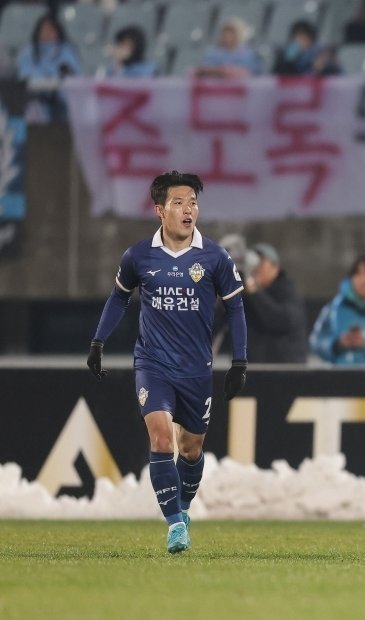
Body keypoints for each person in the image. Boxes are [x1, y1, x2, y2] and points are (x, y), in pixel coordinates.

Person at [86, 171, 248, 553]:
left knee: (190, 448)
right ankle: (175, 524)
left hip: (196, 369)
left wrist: (239, 362)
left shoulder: (215, 257)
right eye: (178, 203)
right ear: (160, 210)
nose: (188, 209)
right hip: (152, 363)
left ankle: (183, 507)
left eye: (192, 202)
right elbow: (118, 299)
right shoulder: (138, 256)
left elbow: (236, 307)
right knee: (161, 437)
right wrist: (98, 341)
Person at [243, 243, 308, 364]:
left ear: (275, 267)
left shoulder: (288, 290)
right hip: (253, 370)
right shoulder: (245, 294)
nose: (256, 268)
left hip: (286, 372)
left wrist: (255, 292)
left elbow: (280, 321)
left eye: (261, 263)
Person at [16, 11, 80, 123]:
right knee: (33, 109)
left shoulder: (66, 51)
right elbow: (24, 76)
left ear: (58, 32)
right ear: (37, 31)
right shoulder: (28, 53)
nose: (47, 33)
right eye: (44, 29)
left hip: (61, 103)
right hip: (35, 100)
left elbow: (74, 75)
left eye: (51, 30)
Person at [196, 17, 263, 78]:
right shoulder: (213, 54)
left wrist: (223, 71)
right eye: (225, 32)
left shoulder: (250, 56)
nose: (227, 36)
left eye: (232, 33)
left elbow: (249, 74)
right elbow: (204, 70)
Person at [272, 20, 341, 76]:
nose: (301, 41)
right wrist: (288, 59)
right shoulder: (285, 54)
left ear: (311, 39)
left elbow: (337, 75)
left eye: (305, 38)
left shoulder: (322, 54)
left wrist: (321, 68)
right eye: (298, 37)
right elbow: (276, 75)